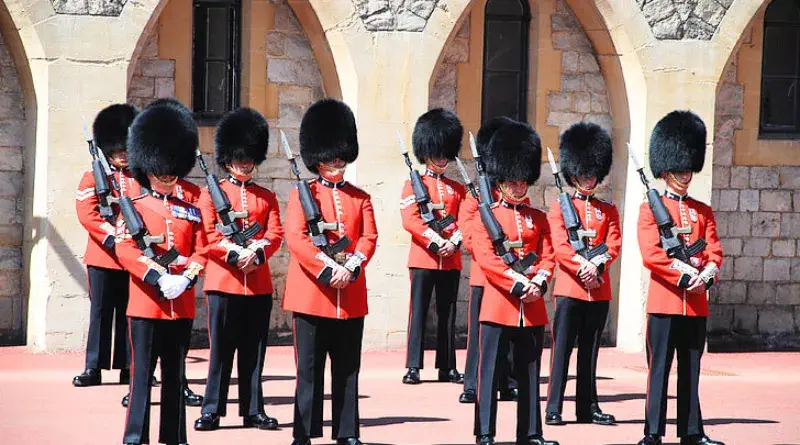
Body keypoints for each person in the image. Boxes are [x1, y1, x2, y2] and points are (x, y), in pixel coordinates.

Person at [282, 98, 379, 445]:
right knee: (308, 369)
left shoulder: (360, 197)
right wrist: (327, 269)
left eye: (340, 155)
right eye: (330, 156)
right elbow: (296, 238)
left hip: (350, 294)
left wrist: (352, 265)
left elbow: (369, 237)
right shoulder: (302, 195)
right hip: (312, 295)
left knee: (348, 369)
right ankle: (304, 432)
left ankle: (347, 431)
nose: (337, 162)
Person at [116, 100, 207, 445]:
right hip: (145, 307)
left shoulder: (191, 210)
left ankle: (174, 438)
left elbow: (203, 247)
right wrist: (158, 277)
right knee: (141, 378)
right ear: (148, 167)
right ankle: (135, 438)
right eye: (161, 170)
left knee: (175, 376)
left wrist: (187, 277)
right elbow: (126, 249)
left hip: (180, 305)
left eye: (172, 170)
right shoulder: (136, 210)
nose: (168, 176)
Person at [193, 107, 284, 431]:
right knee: (220, 352)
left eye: (249, 157)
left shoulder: (266, 196)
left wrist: (256, 253)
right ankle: (212, 409)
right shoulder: (209, 194)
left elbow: (275, 234)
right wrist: (234, 254)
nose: (246, 162)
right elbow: (207, 234)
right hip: (224, 284)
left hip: (257, 286)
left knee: (254, 354)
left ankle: (253, 409)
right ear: (228, 157)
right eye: (240, 157)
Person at [636, 110, 724, 445]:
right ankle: (653, 431)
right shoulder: (650, 210)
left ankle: (691, 431)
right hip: (665, 302)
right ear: (665, 170)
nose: (685, 175)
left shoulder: (702, 211)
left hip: (697, 303)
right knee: (659, 369)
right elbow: (652, 254)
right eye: (679, 169)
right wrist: (684, 274)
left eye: (688, 168)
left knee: (690, 369)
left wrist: (708, 273)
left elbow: (714, 249)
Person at [471, 121, 558, 445]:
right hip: (499, 305)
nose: (519, 186)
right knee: (490, 371)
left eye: (523, 180)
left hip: (532, 308)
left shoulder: (538, 218)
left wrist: (539, 280)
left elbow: (548, 254)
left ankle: (531, 432)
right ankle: (485, 432)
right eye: (513, 180)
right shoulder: (487, 216)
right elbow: (487, 260)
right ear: (501, 180)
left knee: (529, 372)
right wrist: (517, 283)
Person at [545, 122, 621, 426]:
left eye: (592, 173)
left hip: (598, 289)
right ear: (573, 173)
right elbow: (560, 246)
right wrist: (583, 267)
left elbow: (613, 243)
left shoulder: (608, 211)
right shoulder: (560, 208)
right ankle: (554, 407)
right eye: (583, 173)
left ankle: (587, 406)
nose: (588, 178)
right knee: (562, 350)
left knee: (590, 353)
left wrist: (597, 265)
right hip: (570, 289)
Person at [73, 104, 138, 388]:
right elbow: (87, 213)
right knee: (100, 312)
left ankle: (127, 366)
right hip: (103, 255)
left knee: (129, 311)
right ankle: (94, 367)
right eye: (118, 150)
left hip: (132, 256)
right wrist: (112, 235)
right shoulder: (92, 177)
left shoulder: (140, 178)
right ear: (108, 149)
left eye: (126, 148)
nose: (122, 154)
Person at [400, 108, 466, 385]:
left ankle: (447, 366)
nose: (441, 158)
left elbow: (467, 220)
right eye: (436, 152)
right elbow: (410, 219)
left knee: (447, 313)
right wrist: (435, 240)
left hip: (450, 258)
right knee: (419, 311)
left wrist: (454, 241)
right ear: (426, 153)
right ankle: (413, 365)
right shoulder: (413, 185)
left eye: (444, 152)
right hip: (424, 258)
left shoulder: (457, 189)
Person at [459, 116, 519, 404]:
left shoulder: (516, 199)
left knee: (509, 334)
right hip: (485, 276)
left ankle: (507, 382)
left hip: (512, 276)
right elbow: (469, 236)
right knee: (479, 335)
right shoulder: (474, 198)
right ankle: (472, 384)